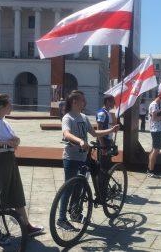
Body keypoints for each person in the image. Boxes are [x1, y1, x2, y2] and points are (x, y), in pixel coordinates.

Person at [59, 90, 119, 231]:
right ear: (75, 102)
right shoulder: (68, 118)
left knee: (80, 187)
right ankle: (61, 219)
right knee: (68, 189)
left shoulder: (84, 117)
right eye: (82, 100)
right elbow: (66, 133)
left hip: (83, 158)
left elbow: (94, 133)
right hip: (71, 158)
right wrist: (80, 140)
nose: (84, 103)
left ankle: (75, 213)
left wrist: (110, 130)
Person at [0, 93, 44, 239]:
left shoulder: (4, 122)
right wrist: (7, 143)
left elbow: (16, 139)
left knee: (17, 192)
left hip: (9, 159)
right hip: (0, 161)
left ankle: (26, 226)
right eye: (9, 104)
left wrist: (14, 141)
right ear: (2, 108)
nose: (11, 106)